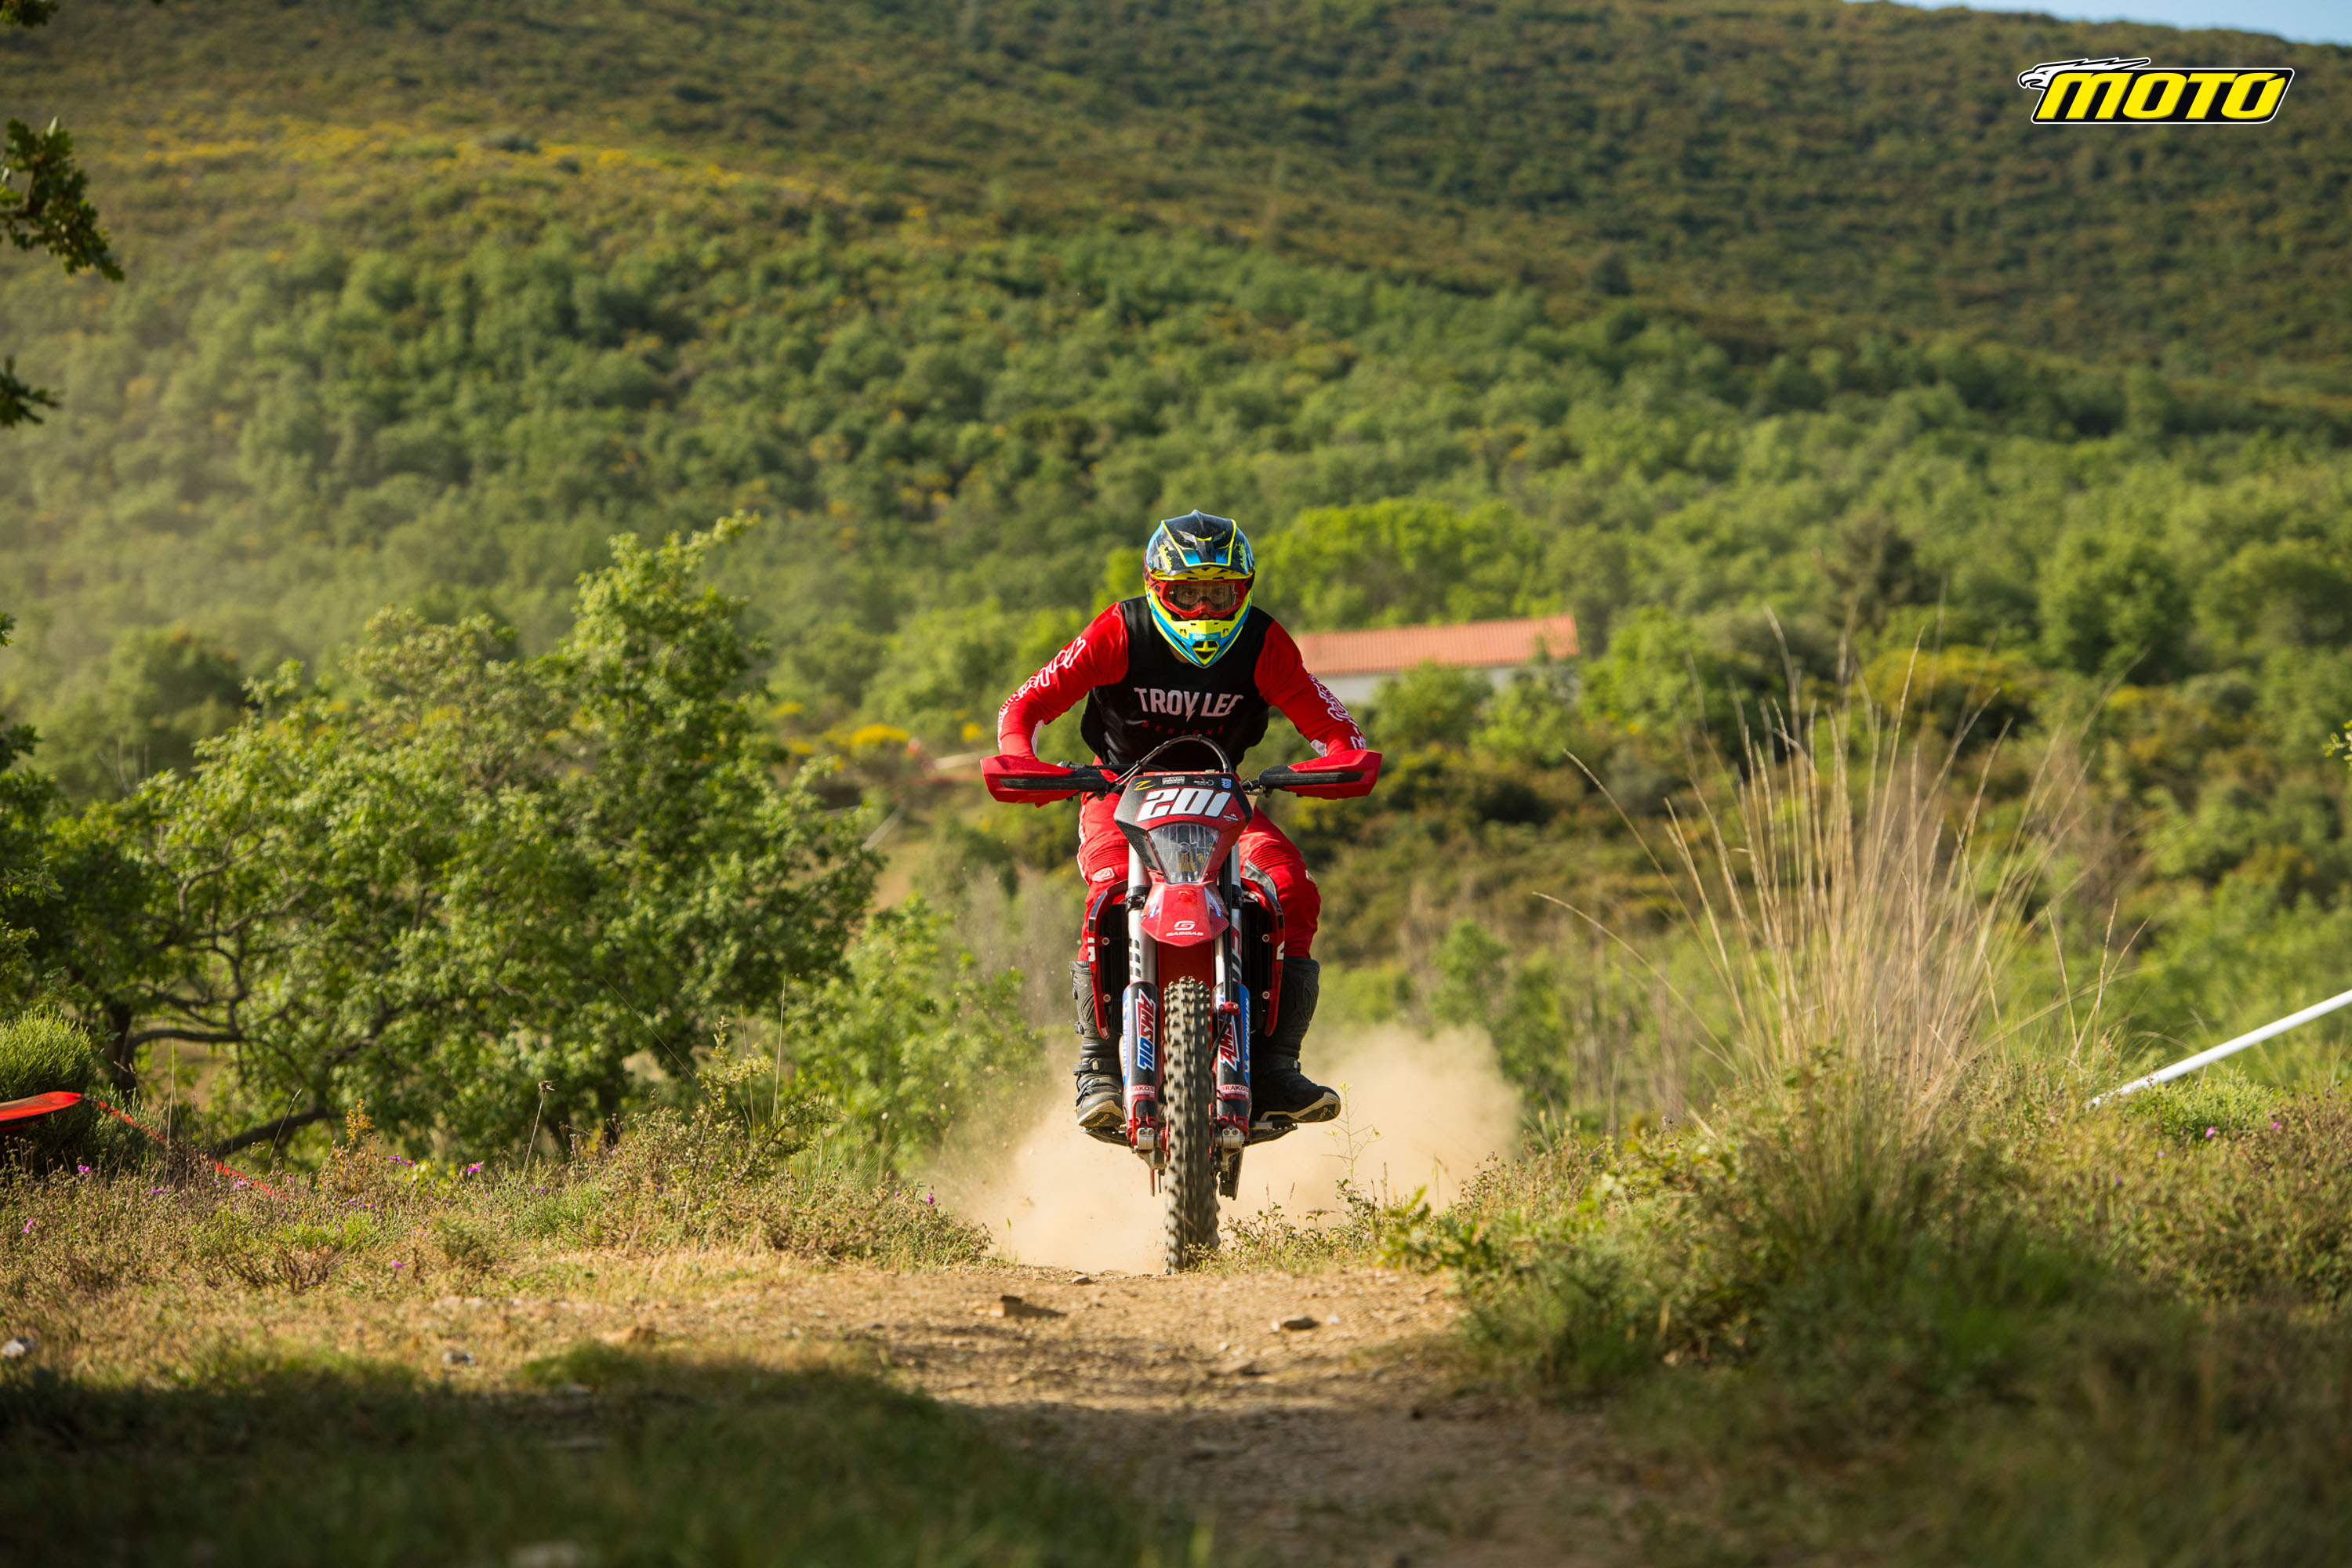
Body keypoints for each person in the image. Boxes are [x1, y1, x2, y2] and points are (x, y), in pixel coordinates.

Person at [986, 510, 1382, 1134]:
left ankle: (1277, 1067)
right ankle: (1097, 1068)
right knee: (1108, 893)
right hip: (1119, 790)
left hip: (1222, 794)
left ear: (1244, 590)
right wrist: (1021, 758)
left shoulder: (1264, 642)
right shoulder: (1121, 630)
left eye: (1219, 594)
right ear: (1155, 588)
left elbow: (1335, 727)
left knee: (1291, 888)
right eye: (1187, 593)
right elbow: (1026, 703)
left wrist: (1338, 761)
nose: (1202, 610)